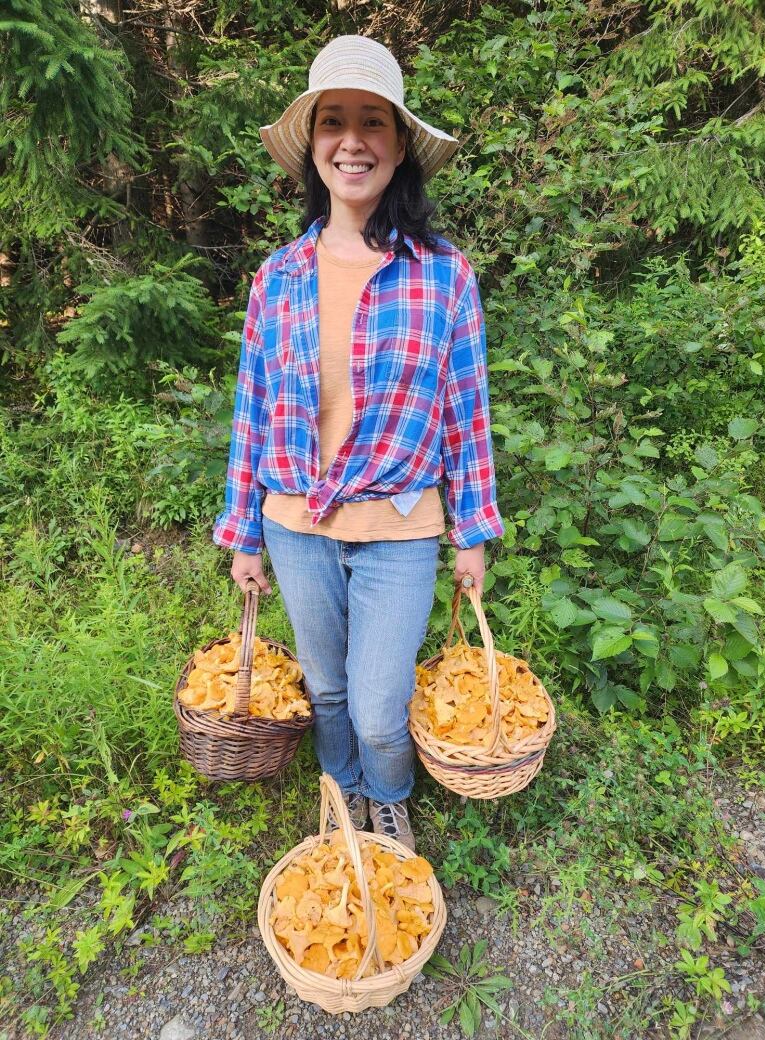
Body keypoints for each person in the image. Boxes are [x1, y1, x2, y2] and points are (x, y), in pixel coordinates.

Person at [213, 35, 504, 851]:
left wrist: (473, 534)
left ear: (399, 142)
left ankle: (388, 790)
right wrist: (243, 532)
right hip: (295, 525)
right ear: (313, 146)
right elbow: (253, 411)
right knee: (329, 690)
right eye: (332, 122)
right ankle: (338, 793)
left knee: (380, 706)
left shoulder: (444, 274)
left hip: (401, 529)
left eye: (371, 121)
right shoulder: (279, 277)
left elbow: (465, 413)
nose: (352, 140)